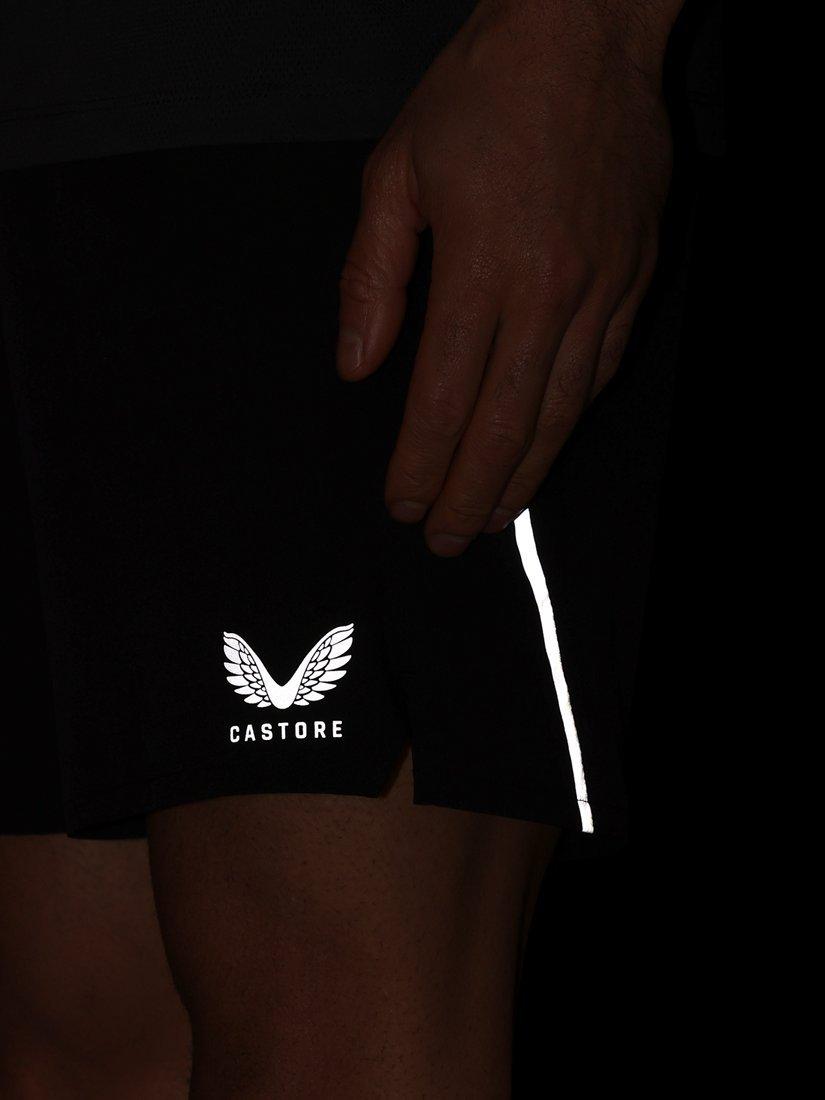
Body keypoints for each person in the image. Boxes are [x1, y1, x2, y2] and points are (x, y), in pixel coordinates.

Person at [0, 1, 721, 1095]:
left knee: (329, 1027)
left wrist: (582, 35)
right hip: (44, 122)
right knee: (84, 1038)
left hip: (356, 120)